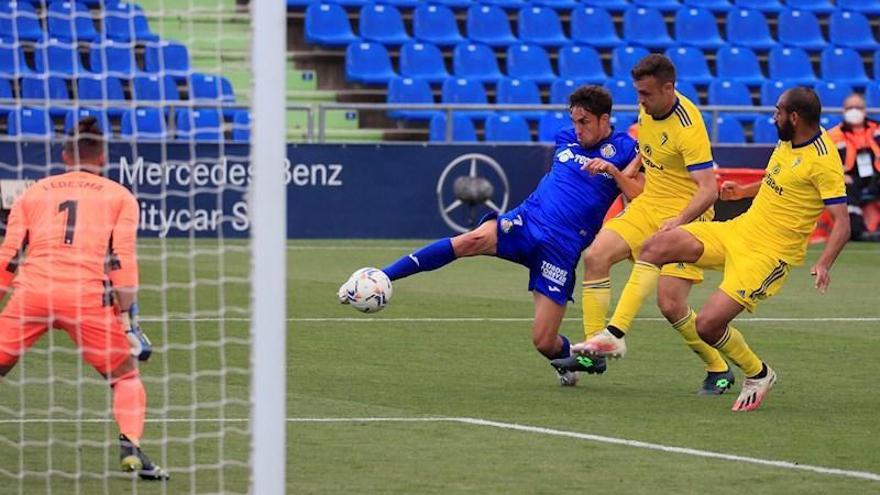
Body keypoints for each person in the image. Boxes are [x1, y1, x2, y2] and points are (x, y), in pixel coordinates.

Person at [566, 87, 850, 411]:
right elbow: (779, 179)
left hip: (768, 254)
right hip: (738, 230)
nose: (773, 117)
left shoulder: (824, 161)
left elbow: (842, 222)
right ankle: (613, 334)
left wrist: (825, 263)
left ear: (794, 117)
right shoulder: (789, 140)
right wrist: (744, 190)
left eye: (777, 112)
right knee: (656, 246)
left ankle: (758, 373)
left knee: (708, 325)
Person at [339, 85, 642, 386]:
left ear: (605, 120)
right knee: (469, 240)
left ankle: (581, 360)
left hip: (561, 249)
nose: (576, 129)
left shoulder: (625, 149)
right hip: (526, 221)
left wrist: (615, 173)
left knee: (543, 340)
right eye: (574, 120)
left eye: (584, 122)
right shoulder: (565, 139)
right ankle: (384, 275)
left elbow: (639, 194)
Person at [0, 117, 169, 479]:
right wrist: (129, 322)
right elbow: (122, 262)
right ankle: (131, 448)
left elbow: (9, 257)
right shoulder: (119, 196)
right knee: (125, 378)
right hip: (86, 299)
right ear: (103, 157)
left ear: (64, 155)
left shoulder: (34, 192)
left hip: (33, 294)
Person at [556, 54, 735, 395]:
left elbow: (708, 190)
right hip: (649, 204)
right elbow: (647, 148)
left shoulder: (688, 126)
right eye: (638, 93)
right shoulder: (648, 108)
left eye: (647, 94)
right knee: (595, 256)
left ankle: (719, 367)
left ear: (669, 88)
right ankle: (596, 350)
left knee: (670, 305)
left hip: (687, 214)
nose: (640, 100)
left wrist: (678, 222)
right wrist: (628, 170)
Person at [827, 93, 880, 241]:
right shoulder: (833, 135)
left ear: (865, 110)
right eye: (850, 107)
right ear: (843, 111)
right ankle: (857, 232)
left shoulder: (877, 130)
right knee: (843, 189)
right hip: (850, 179)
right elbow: (825, 164)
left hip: (876, 177)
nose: (854, 111)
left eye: (858, 107)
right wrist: (839, 176)